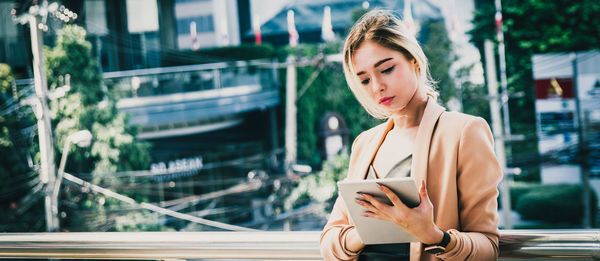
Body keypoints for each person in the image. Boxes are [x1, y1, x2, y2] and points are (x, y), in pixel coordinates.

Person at [320, 9, 502, 261]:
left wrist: (433, 235)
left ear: (413, 60)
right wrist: (367, 231)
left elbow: (488, 247)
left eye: (386, 69)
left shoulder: (464, 132)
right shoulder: (365, 143)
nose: (376, 87)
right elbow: (329, 241)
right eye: (364, 80)